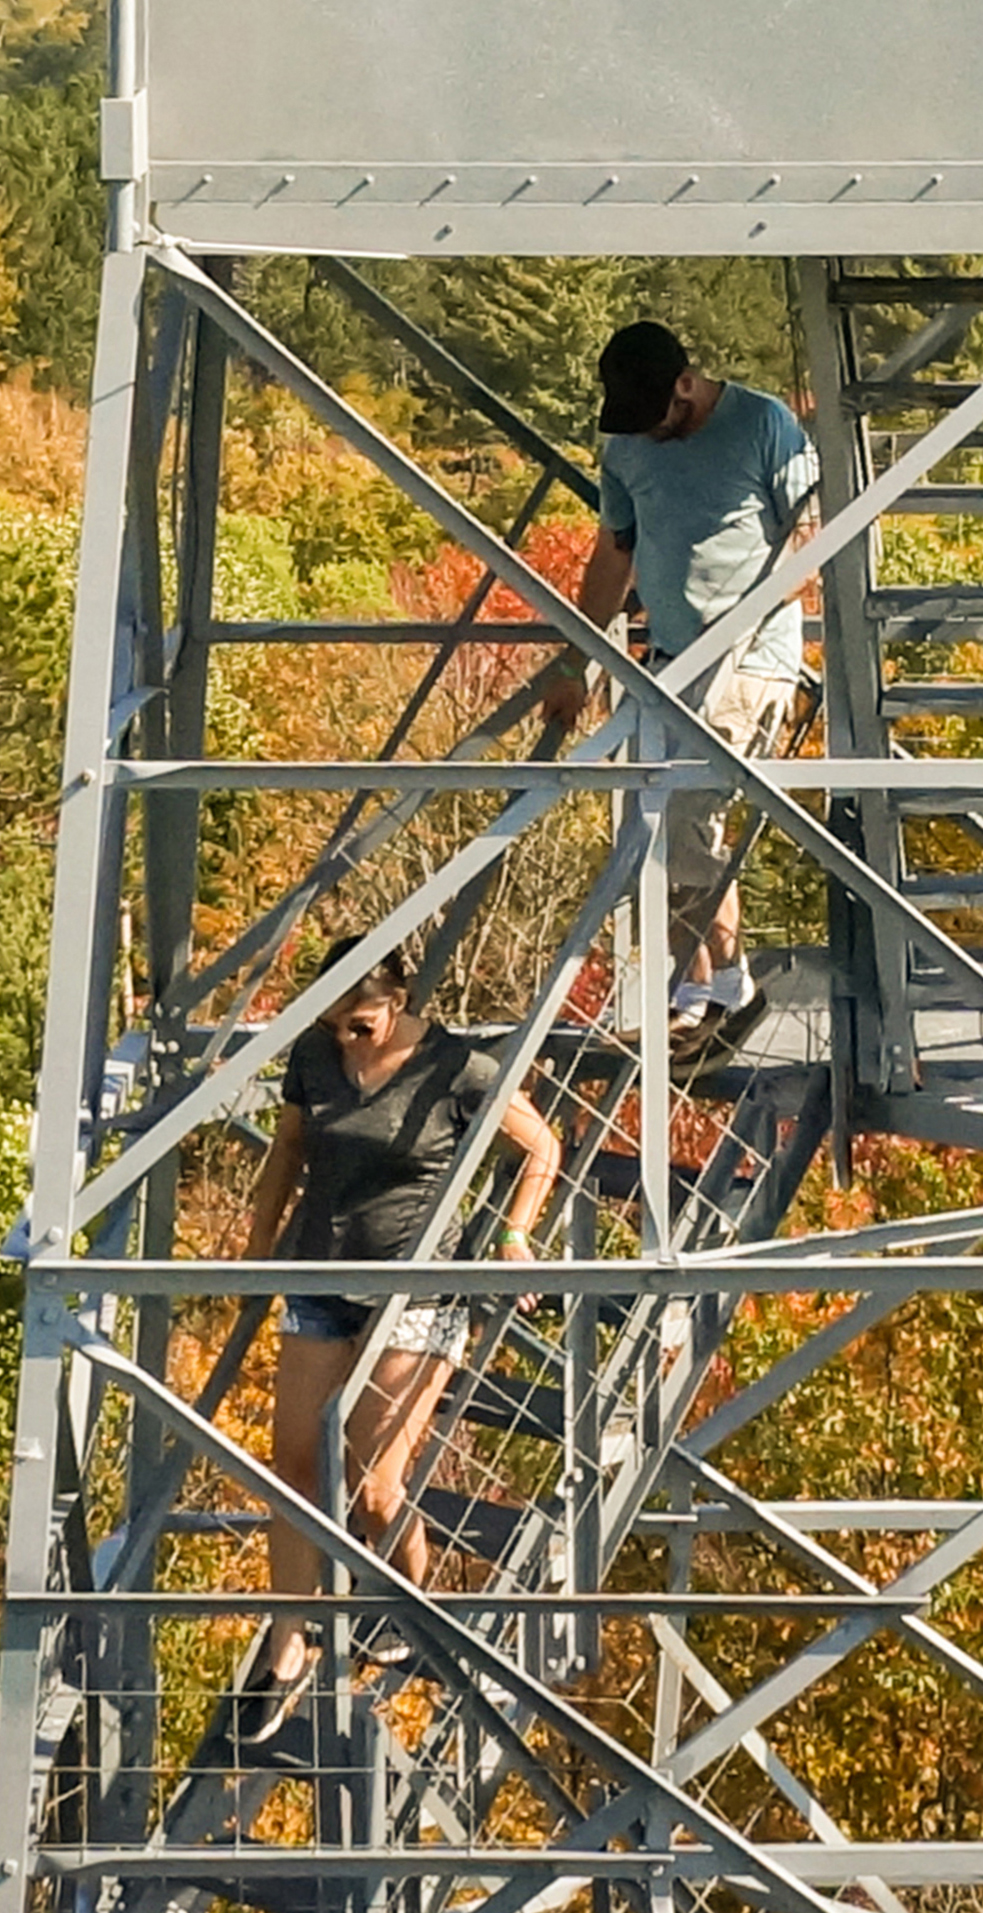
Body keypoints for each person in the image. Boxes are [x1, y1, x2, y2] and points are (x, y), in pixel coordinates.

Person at [219, 940, 562, 1689]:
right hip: (318, 1277)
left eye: (359, 1025)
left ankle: (413, 1606)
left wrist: (513, 1237)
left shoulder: (456, 1068)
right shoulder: (314, 1058)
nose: (343, 1037)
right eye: (333, 1022)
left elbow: (540, 1146)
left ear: (397, 1003)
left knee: (374, 1486)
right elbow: (287, 1152)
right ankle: (286, 1646)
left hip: (417, 1291)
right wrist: (255, 1244)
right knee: (295, 1472)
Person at [571, 321, 824, 1035]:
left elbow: (810, 537)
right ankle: (697, 988)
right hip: (666, 665)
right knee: (649, 824)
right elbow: (613, 555)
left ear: (685, 386)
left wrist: (751, 615)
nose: (647, 437)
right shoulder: (626, 449)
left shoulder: (761, 424)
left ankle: (729, 985)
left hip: (750, 658)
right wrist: (575, 659)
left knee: (684, 815)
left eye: (655, 421)